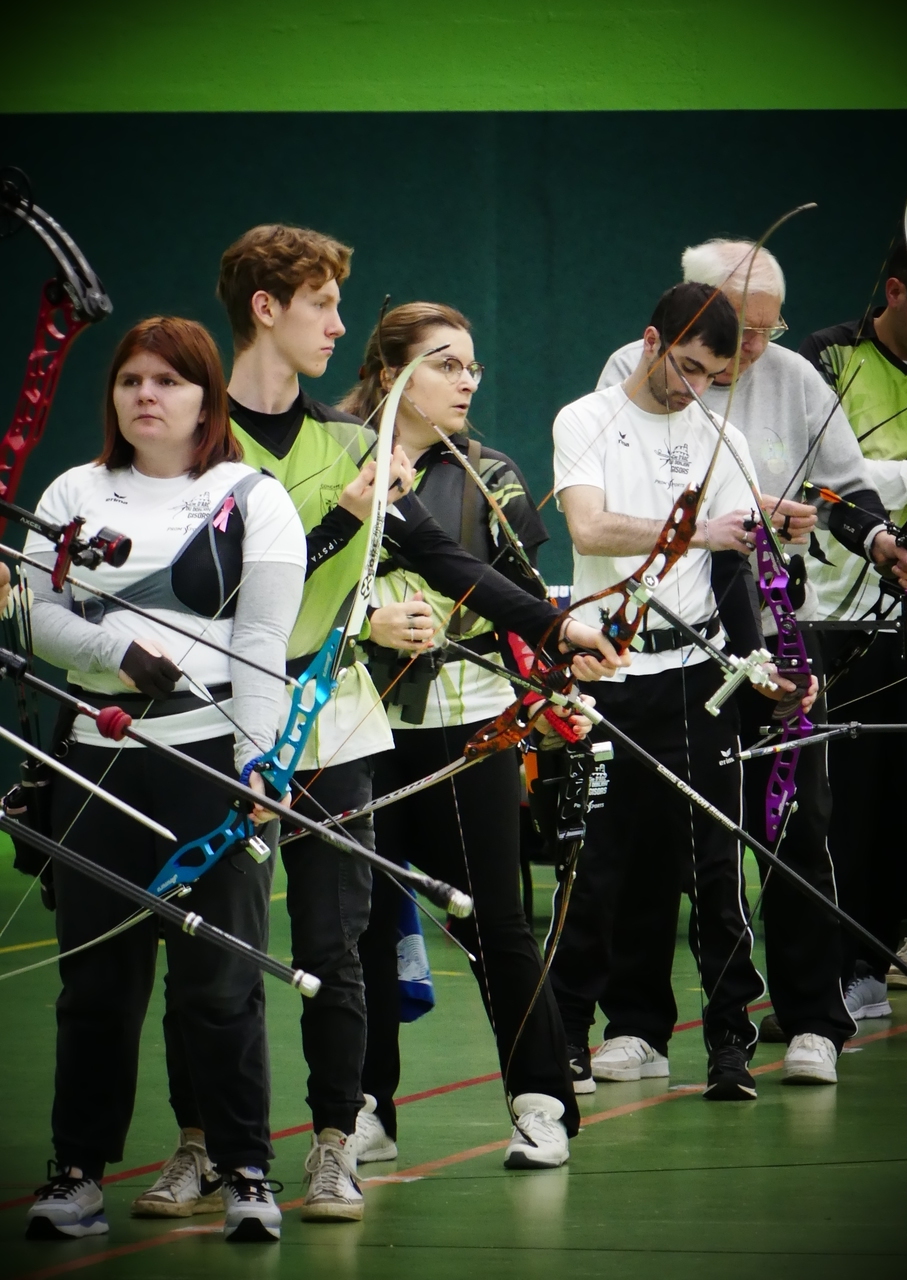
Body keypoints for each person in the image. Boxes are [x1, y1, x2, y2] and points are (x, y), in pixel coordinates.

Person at [138, 225, 623, 1223]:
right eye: (321, 303)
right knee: (210, 952)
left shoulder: (356, 446)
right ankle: (201, 1143)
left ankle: (337, 1141)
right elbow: (206, 594)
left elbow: (447, 560)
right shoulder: (194, 447)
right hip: (214, 727)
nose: (338, 325)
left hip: (334, 730)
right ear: (266, 308)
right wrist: (338, 527)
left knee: (336, 945)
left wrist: (556, 623)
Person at [594, 240, 907, 1087]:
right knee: (657, 829)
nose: (752, 347)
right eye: (739, 329)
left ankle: (814, 1020)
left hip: (780, 628)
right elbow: (620, 502)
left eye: (766, 329)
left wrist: (882, 542)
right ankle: (638, 1025)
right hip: (675, 638)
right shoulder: (634, 370)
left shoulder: (793, 377)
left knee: (795, 822)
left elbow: (842, 491)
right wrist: (736, 516)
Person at [22, 317, 306, 1243]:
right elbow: (36, 616)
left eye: (170, 381)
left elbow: (262, 639)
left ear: (205, 396)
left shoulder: (251, 496)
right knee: (96, 985)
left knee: (218, 985)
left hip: (209, 765)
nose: (147, 395)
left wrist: (259, 762)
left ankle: (245, 1170)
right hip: (95, 763)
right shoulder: (72, 492)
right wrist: (116, 653)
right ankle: (76, 1173)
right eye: (131, 380)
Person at [339, 301, 589, 1170]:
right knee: (362, 926)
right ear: (390, 375)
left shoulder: (491, 473)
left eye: (471, 366)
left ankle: (541, 1101)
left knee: (497, 923)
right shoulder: (336, 457)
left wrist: (560, 662)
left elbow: (519, 595)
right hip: (356, 728)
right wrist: (370, 623)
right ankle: (363, 1109)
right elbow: (298, 584)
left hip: (469, 726)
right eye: (444, 364)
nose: (467, 381)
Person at [548, 281, 812, 1102]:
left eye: (713, 376)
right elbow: (589, 526)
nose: (696, 388)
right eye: (688, 367)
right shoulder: (585, 420)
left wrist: (766, 660)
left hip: (698, 679)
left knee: (714, 865)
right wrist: (698, 528)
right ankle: (573, 1037)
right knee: (595, 867)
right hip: (607, 675)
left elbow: (733, 571)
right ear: (653, 340)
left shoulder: (719, 436)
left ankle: (729, 1043)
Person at [798, 226, 907, 1042]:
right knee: (850, 808)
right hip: (844, 616)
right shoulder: (826, 359)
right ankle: (855, 967)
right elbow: (820, 477)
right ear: (897, 292)